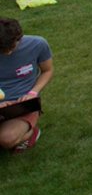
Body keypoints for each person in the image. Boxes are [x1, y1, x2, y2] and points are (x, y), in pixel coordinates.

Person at [0, 16, 54, 152]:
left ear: (18, 37)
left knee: (7, 139)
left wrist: (33, 93)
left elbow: (47, 71)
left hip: (23, 104)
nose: (7, 53)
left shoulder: (37, 44)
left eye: (11, 47)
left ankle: (31, 133)